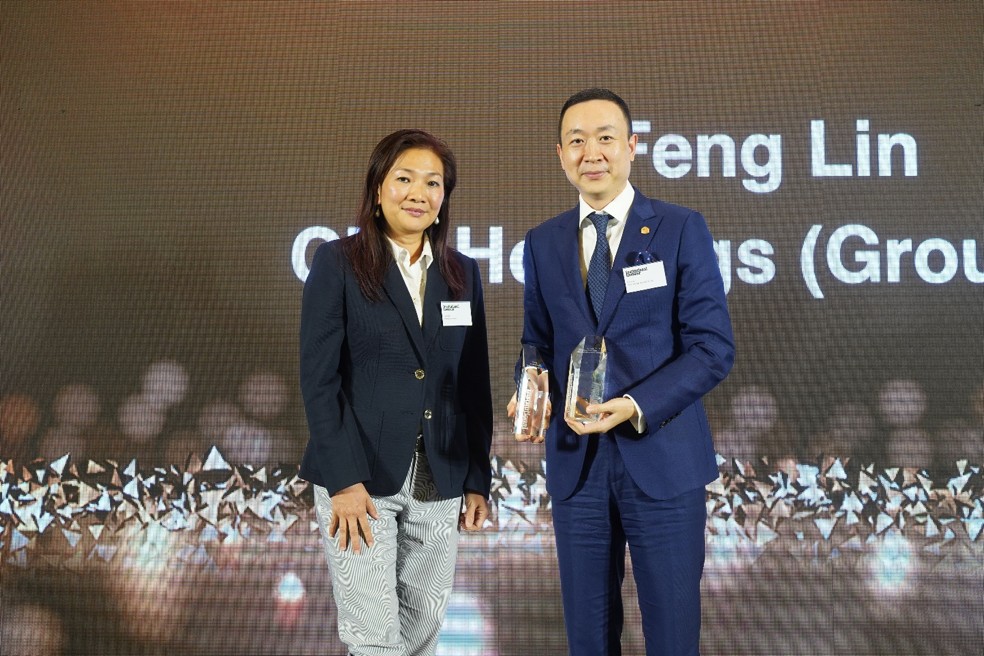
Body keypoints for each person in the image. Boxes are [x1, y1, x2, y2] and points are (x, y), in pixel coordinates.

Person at [510, 89, 734, 655]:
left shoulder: (680, 228)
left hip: (662, 459)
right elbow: (536, 342)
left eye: (605, 138)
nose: (592, 152)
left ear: (632, 147)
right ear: (560, 154)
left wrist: (635, 406)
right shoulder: (542, 242)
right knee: (588, 640)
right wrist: (529, 381)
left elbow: (712, 348)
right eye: (577, 141)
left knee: (673, 637)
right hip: (577, 466)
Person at [299, 129, 493, 656]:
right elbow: (319, 380)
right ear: (378, 187)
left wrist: (477, 476)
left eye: (433, 183)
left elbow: (472, 382)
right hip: (359, 479)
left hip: (441, 474)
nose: (418, 193)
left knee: (423, 631)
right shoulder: (337, 262)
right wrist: (343, 480)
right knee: (374, 638)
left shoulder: (462, 272)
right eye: (404, 179)